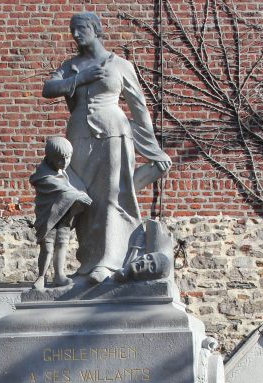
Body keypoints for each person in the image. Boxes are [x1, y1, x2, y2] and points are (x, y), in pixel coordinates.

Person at [42, 12, 172, 285]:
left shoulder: (120, 65)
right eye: (72, 30)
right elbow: (49, 88)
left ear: (95, 29)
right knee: (83, 199)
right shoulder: (72, 66)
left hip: (114, 132)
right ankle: (87, 263)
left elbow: (140, 109)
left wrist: (152, 148)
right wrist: (81, 78)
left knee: (112, 195)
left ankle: (109, 261)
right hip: (77, 136)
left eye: (80, 29)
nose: (75, 35)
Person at [29, 137, 92, 289]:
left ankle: (59, 275)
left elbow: (74, 187)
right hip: (48, 217)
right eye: (60, 160)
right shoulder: (44, 175)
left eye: (68, 158)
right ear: (50, 158)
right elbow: (64, 190)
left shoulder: (65, 172)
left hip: (64, 215)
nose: (64, 163)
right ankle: (41, 277)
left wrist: (80, 195)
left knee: (63, 243)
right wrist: (78, 196)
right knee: (48, 247)